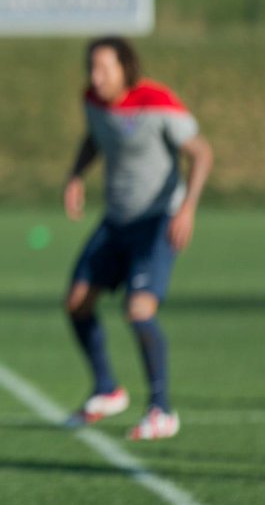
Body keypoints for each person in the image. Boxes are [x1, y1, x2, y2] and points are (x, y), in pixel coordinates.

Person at [62, 36, 213, 440]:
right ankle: (107, 389)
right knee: (77, 303)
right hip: (116, 221)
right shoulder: (92, 101)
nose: (95, 76)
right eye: (91, 67)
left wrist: (187, 208)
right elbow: (95, 137)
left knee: (139, 310)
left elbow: (201, 153)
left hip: (157, 220)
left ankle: (161, 410)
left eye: (103, 68)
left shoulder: (157, 102)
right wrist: (76, 175)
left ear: (125, 68)